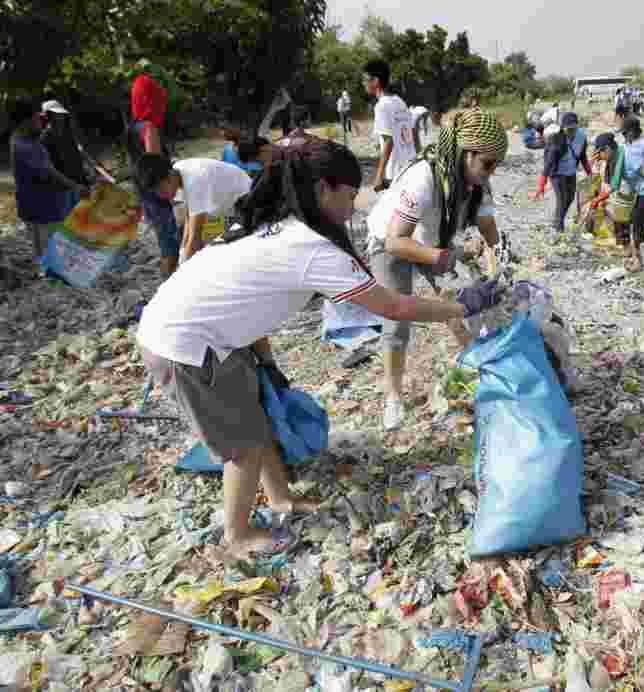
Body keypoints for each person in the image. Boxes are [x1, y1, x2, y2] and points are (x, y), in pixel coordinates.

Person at [136, 139, 502, 558]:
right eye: (349, 194)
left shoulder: (280, 222)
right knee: (244, 446)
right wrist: (463, 304)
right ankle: (235, 537)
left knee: (259, 415)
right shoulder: (312, 247)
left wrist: (267, 363)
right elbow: (395, 306)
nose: (353, 207)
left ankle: (280, 500)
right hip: (186, 344)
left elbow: (243, 299)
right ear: (324, 188)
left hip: (207, 330)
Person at [366, 109, 508, 431]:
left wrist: (498, 267)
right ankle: (393, 397)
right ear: (465, 154)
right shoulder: (424, 178)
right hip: (391, 242)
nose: (491, 172)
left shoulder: (476, 185)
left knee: (458, 307)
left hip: (431, 243)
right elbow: (394, 242)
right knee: (397, 321)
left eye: (495, 165)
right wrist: (437, 256)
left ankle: (487, 371)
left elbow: (489, 231)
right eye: (487, 164)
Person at [135, 154, 254, 265]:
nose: (161, 195)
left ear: (170, 175)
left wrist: (181, 270)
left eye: (162, 189)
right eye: (156, 192)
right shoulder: (176, 172)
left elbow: (195, 237)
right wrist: (182, 251)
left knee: (237, 253)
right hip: (222, 203)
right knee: (188, 244)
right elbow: (189, 217)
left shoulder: (195, 181)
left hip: (245, 200)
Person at [10, 100, 89, 262]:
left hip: (44, 205)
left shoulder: (23, 140)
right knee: (48, 253)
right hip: (40, 208)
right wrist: (76, 187)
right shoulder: (28, 146)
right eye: (38, 118)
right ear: (27, 122)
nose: (43, 121)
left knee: (54, 246)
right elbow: (50, 172)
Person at [128, 61, 181, 278]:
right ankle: (168, 287)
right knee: (171, 245)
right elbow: (155, 166)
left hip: (144, 191)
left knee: (164, 239)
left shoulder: (133, 127)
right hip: (157, 192)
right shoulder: (149, 128)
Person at [610, 116, 644, 272]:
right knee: (634, 221)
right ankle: (638, 258)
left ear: (633, 131)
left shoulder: (640, 147)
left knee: (638, 226)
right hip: (642, 190)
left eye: (625, 133)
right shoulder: (626, 148)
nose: (623, 136)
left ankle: (640, 262)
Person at [531, 112, 591, 238]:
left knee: (570, 199)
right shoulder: (556, 141)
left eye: (573, 128)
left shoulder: (582, 137)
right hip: (557, 174)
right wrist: (541, 186)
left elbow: (583, 157)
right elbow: (548, 165)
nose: (571, 132)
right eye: (568, 129)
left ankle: (557, 222)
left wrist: (590, 174)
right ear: (563, 128)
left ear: (577, 126)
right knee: (562, 200)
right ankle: (559, 229)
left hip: (571, 172)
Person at [39, 100, 99, 218]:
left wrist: (92, 168)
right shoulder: (45, 139)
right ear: (48, 116)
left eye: (61, 115)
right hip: (62, 188)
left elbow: (78, 152)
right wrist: (74, 186)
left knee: (85, 218)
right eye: (56, 115)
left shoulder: (67, 134)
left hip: (80, 182)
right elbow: (50, 169)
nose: (60, 118)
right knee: (69, 221)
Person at [365, 60, 418, 191]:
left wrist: (379, 175)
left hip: (395, 173)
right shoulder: (400, 101)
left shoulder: (381, 106)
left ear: (375, 81)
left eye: (366, 80)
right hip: (409, 166)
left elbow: (389, 140)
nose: (364, 84)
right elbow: (412, 132)